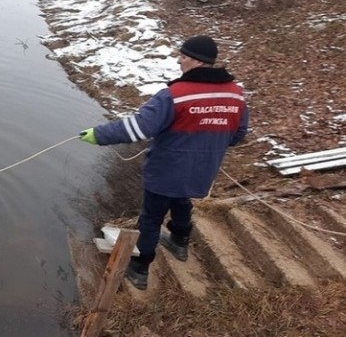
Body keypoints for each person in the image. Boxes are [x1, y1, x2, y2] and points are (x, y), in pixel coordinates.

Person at [79, 35, 248, 290]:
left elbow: (138, 128)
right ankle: (180, 242)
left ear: (195, 60)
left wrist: (98, 135)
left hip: (166, 170)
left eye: (182, 56)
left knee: (150, 219)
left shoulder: (174, 95)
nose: (179, 60)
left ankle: (140, 269)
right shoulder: (236, 95)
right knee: (182, 200)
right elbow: (237, 135)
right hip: (203, 171)